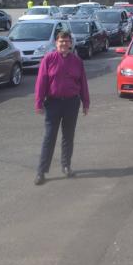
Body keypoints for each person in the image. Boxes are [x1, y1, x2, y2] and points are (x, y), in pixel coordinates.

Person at [33, 30, 90, 185]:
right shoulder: (48, 59)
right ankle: (41, 171)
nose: (64, 44)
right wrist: (38, 102)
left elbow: (83, 83)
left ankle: (66, 166)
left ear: (70, 43)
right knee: (49, 137)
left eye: (66, 41)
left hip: (72, 103)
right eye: (61, 41)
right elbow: (41, 82)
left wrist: (86, 103)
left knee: (68, 137)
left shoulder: (77, 61)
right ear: (56, 43)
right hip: (53, 103)